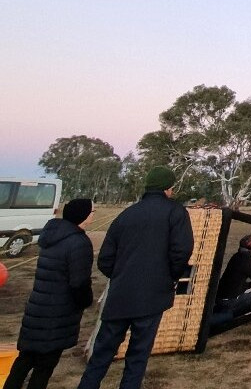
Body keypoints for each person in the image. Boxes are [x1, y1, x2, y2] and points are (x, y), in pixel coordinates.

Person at [76, 167, 193, 389]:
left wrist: (122, 277)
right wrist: (169, 277)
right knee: (138, 357)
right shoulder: (175, 212)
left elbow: (105, 259)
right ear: (169, 188)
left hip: (120, 296)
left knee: (101, 356)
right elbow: (181, 251)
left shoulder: (126, 215)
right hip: (152, 297)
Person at [4, 198, 95, 389]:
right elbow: (79, 283)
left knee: (24, 360)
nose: (93, 215)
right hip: (59, 313)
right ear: (83, 216)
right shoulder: (79, 242)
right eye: (92, 212)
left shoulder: (52, 236)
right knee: (44, 366)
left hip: (38, 308)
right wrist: (86, 301)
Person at [212, 234, 251, 324]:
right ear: (249, 244)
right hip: (229, 301)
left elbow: (246, 270)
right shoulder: (248, 260)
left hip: (219, 296)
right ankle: (230, 315)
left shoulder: (236, 256)